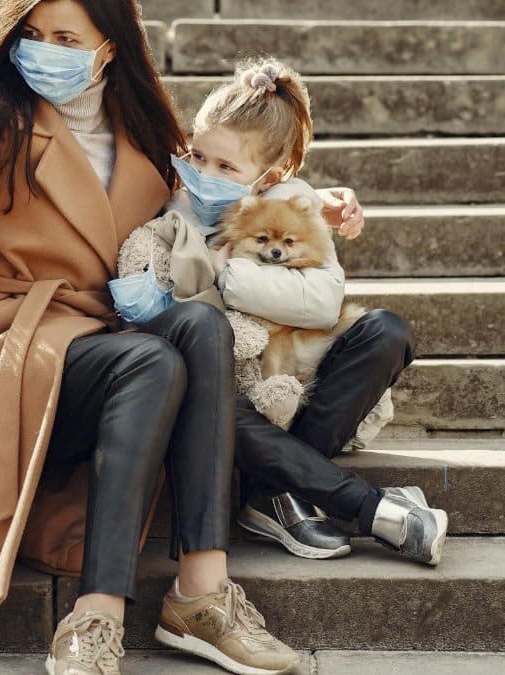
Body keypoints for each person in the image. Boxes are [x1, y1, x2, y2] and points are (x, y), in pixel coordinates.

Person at [0, 2, 360, 673]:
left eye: (67, 38)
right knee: (150, 359)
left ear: (109, 49)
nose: (45, 52)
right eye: (33, 36)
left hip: (105, 355)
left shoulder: (146, 135)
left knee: (199, 326)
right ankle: (96, 616)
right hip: (6, 360)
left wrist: (314, 202)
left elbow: (215, 196)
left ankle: (202, 594)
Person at [150, 57, 449, 566]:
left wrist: (225, 271)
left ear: (270, 178)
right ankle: (369, 508)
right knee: (206, 401)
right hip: (230, 399)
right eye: (197, 156)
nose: (203, 174)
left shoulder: (293, 207)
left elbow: (323, 302)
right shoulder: (168, 205)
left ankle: (271, 491)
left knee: (387, 330)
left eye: (226, 167)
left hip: (297, 385)